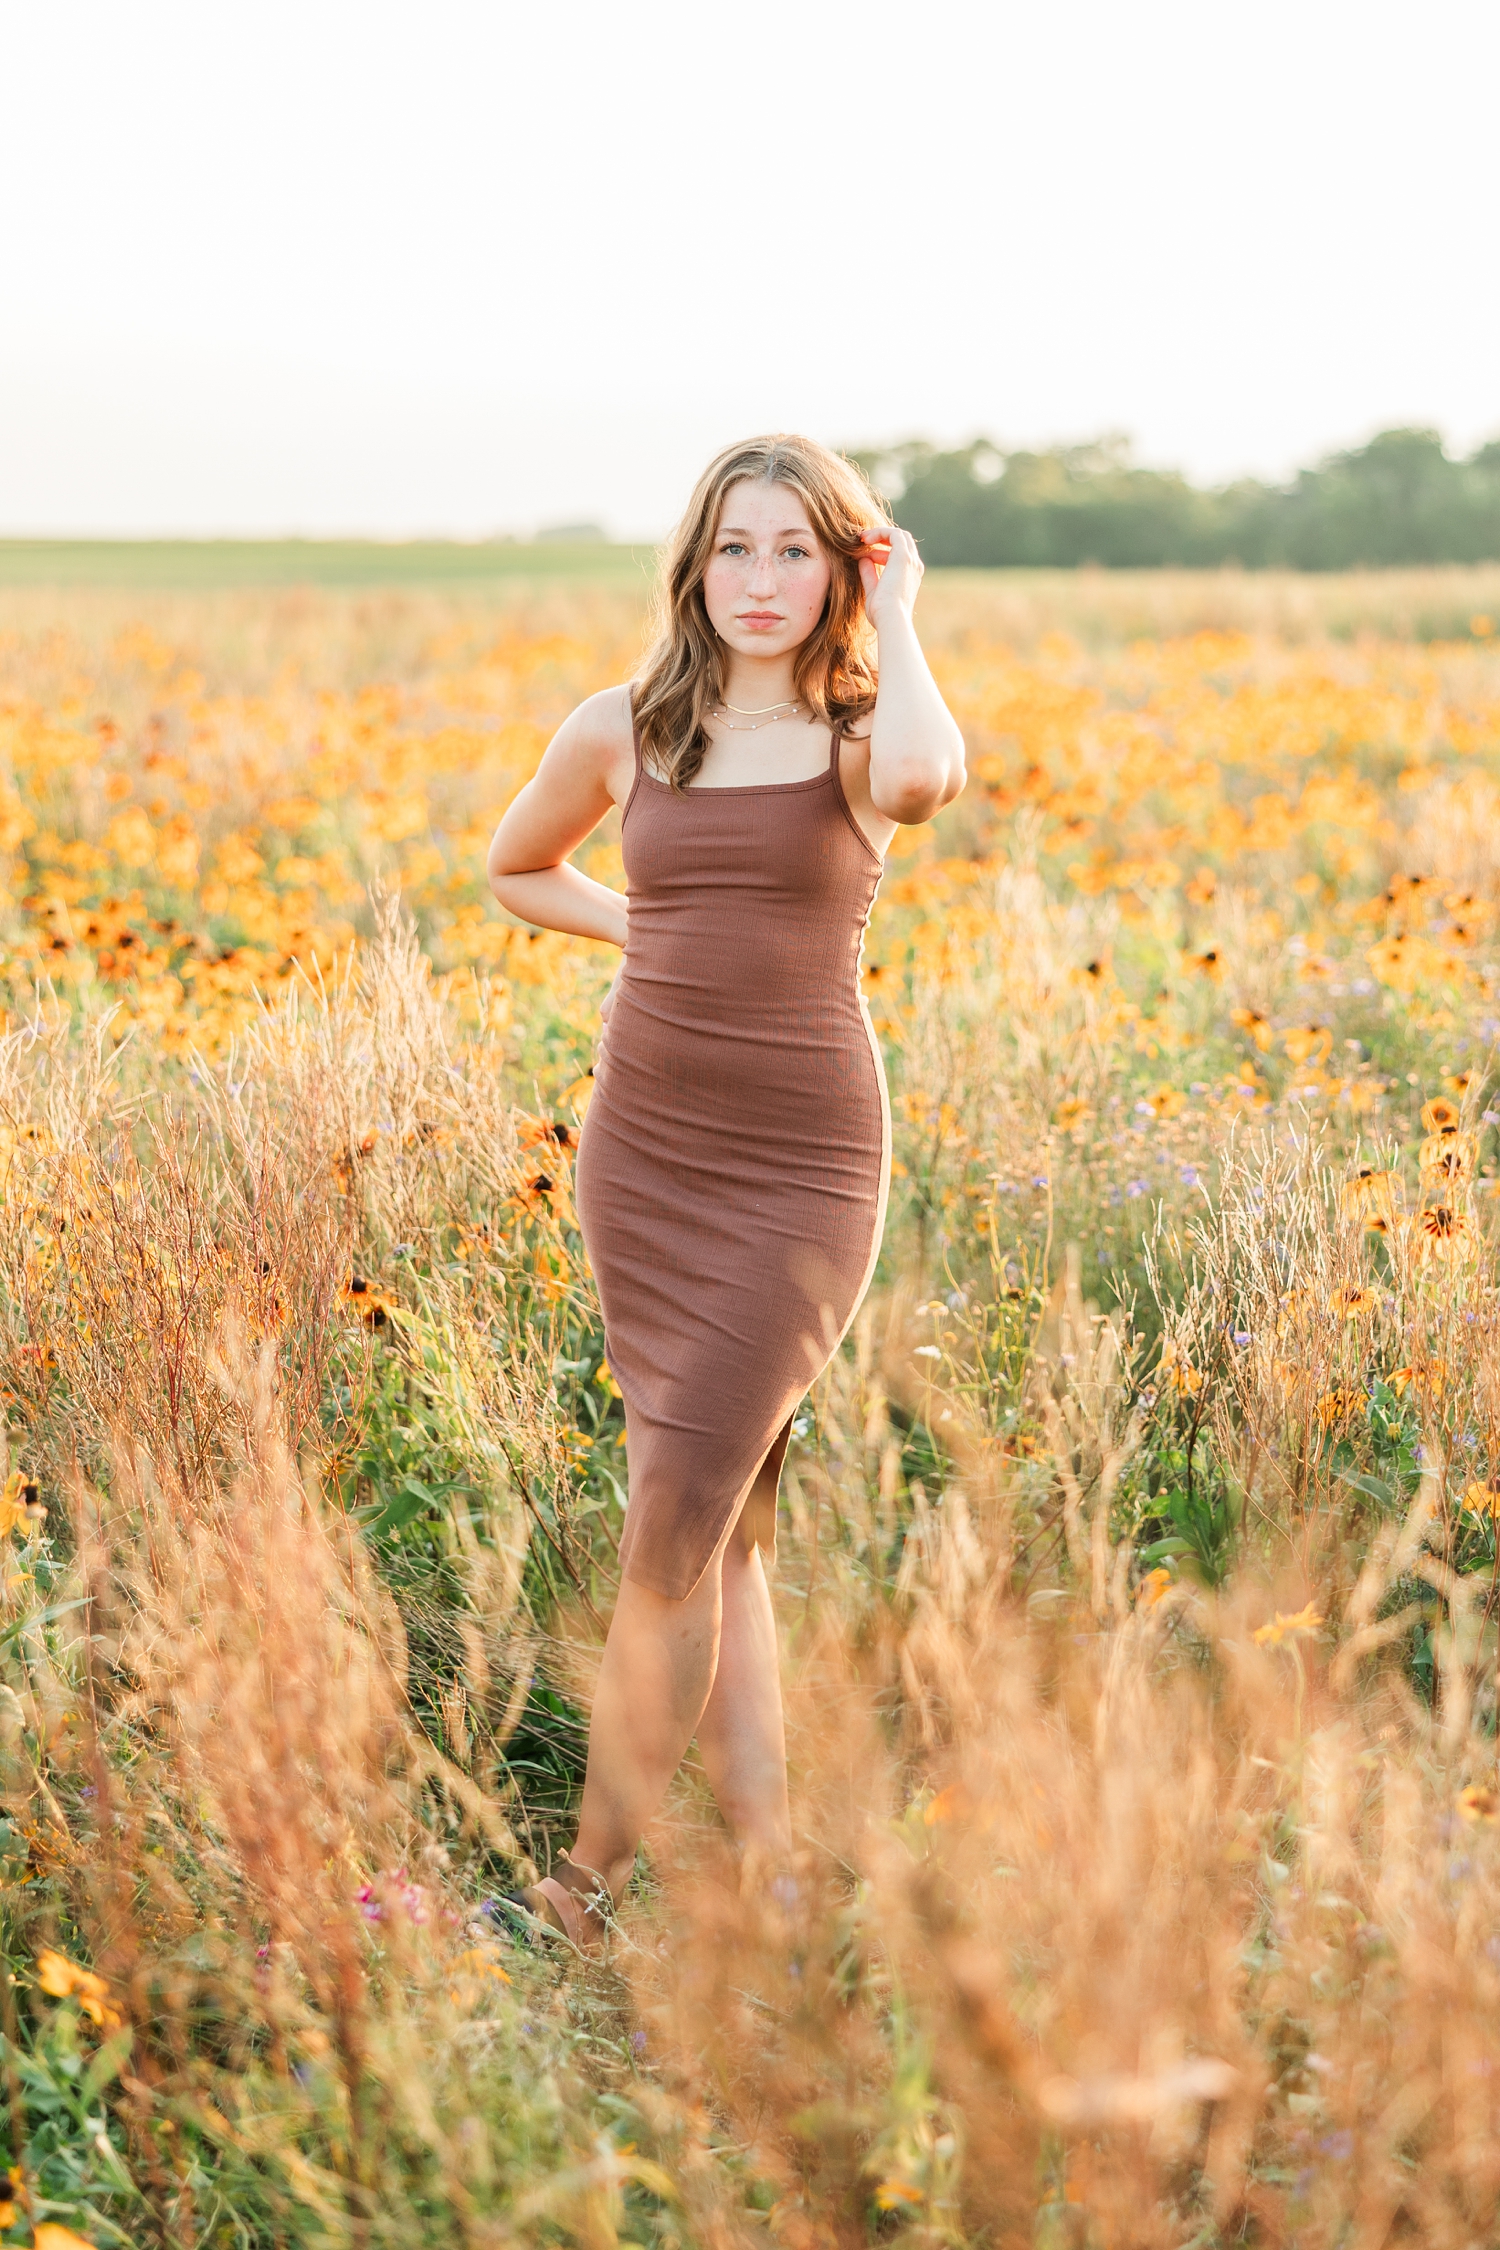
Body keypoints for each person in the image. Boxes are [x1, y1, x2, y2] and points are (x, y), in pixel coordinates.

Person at [486, 434, 965, 1944]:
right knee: (730, 1522)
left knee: (669, 1536)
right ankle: (770, 1864)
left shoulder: (858, 732)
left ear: (842, 566)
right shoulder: (623, 728)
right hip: (646, 1152)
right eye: (735, 548)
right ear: (694, 565)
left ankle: (577, 1892)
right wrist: (657, 937)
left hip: (804, 1164)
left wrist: (902, 618)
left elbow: (927, 784)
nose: (762, 581)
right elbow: (517, 867)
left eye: (797, 551)